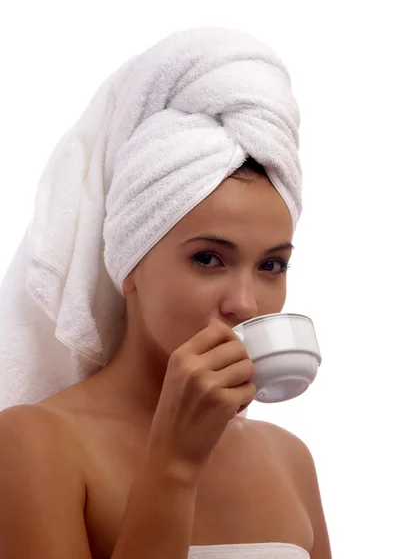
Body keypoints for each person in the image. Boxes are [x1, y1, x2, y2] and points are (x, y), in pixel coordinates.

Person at [0, 28, 332, 558]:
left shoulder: (290, 460)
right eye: (208, 258)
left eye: (272, 264)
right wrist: (174, 467)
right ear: (129, 264)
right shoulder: (36, 445)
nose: (245, 303)